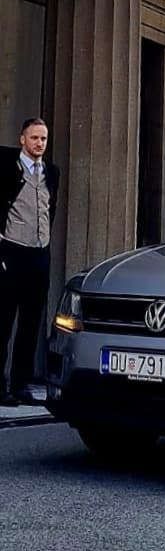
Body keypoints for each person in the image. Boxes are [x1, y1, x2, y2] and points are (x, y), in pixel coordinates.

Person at [0, 118, 59, 407]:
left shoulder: (51, 172)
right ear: (22, 139)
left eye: (43, 139)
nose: (39, 143)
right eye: (34, 138)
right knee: (3, 322)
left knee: (30, 324)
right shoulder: (7, 168)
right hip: (12, 253)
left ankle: (20, 384)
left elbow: (50, 208)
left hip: (39, 254)